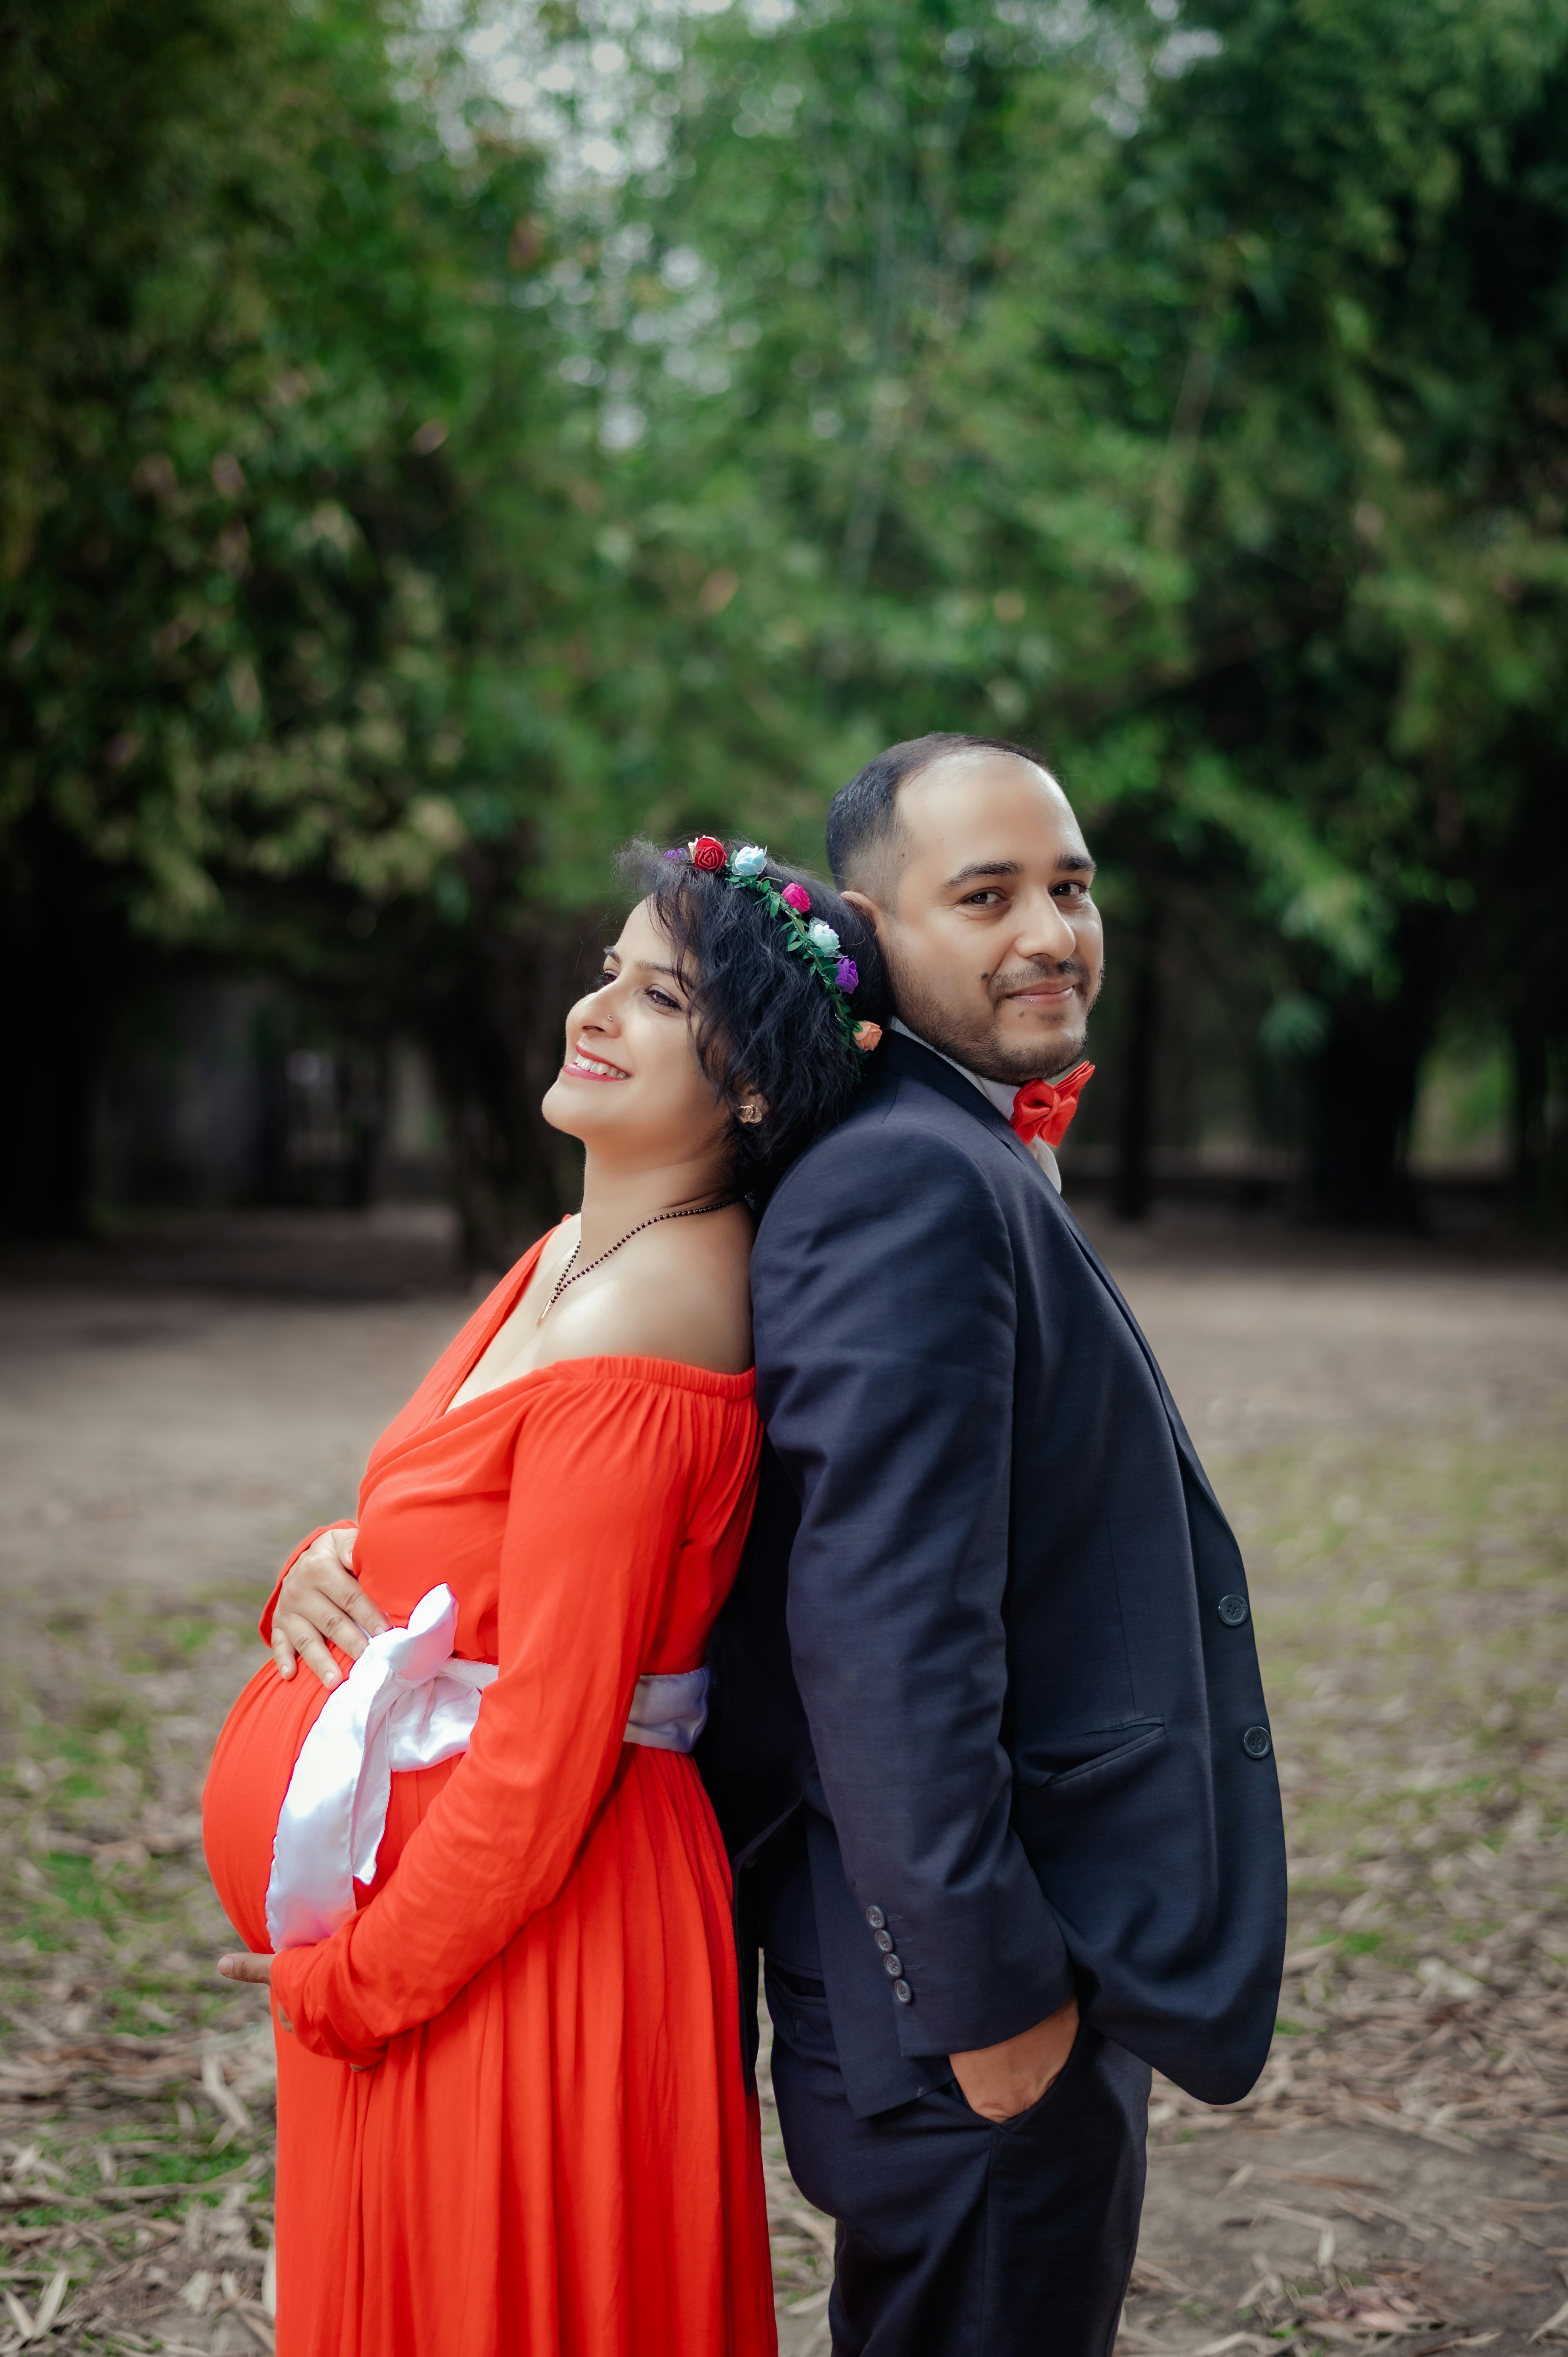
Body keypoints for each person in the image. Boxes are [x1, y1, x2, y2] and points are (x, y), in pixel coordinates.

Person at [274, 735, 1289, 2357]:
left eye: (1071, 886)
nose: (1050, 929)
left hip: (952, 1973)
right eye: (986, 895)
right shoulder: (893, 1181)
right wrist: (988, 1995)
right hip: (951, 1994)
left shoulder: (900, 1158)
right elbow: (881, 1627)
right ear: (877, 933)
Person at [202, 838, 885, 2357]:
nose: (601, 1009)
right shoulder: (573, 1251)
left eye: (662, 998)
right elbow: (437, 1515)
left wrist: (352, 1989)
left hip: (528, 1946)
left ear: (754, 1089)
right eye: (608, 971)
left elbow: (548, 1750)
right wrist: (327, 1563)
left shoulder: (657, 1312)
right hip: (442, 1938)